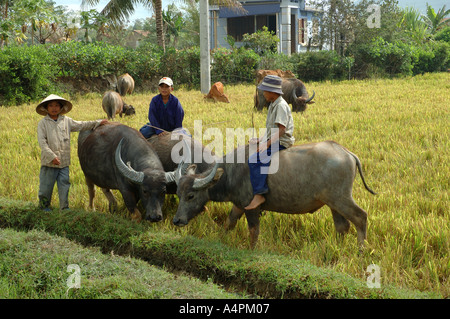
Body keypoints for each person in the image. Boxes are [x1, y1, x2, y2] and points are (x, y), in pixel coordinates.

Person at [36, 94, 108, 211]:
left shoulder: (67, 121)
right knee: (46, 187)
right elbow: (42, 143)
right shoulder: (43, 124)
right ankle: (44, 208)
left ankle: (64, 208)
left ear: (61, 108)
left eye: (56, 105)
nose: (54, 108)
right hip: (49, 163)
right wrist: (52, 156)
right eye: (51, 105)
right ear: (46, 108)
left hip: (64, 162)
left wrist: (98, 122)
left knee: (64, 186)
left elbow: (82, 125)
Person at [245, 75, 295, 210]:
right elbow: (270, 130)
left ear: (273, 92)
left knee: (254, 159)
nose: (263, 94)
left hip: (281, 141)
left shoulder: (281, 106)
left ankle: (259, 194)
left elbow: (281, 130)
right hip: (273, 139)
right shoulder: (273, 104)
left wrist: (266, 144)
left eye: (265, 91)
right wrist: (260, 140)